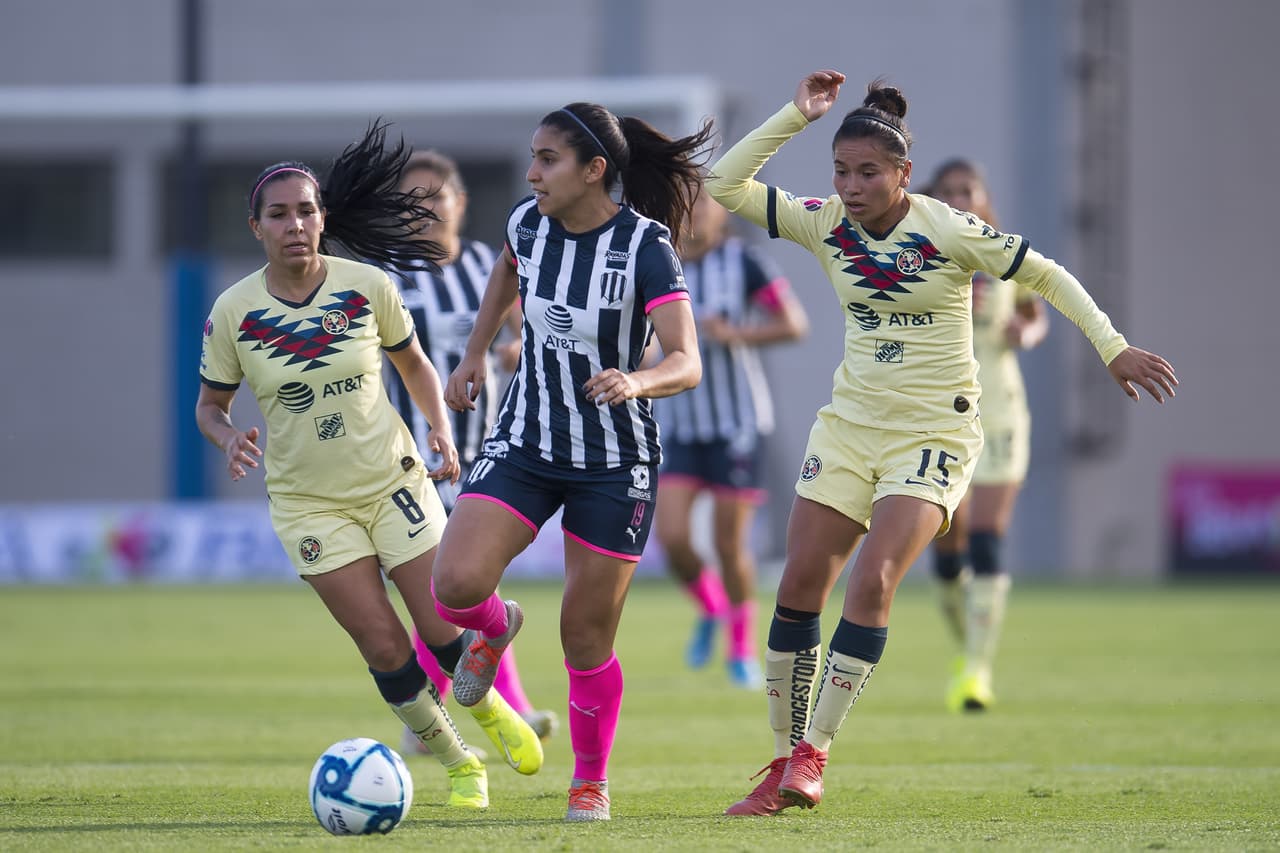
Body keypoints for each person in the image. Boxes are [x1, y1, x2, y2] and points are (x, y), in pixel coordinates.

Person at [706, 70, 1177, 816]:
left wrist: (1112, 346)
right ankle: (777, 759)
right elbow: (724, 184)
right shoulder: (826, 222)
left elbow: (1048, 275)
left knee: (874, 581)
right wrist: (797, 113)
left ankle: (813, 754)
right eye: (841, 171)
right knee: (799, 586)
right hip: (850, 427)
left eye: (868, 173)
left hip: (934, 432)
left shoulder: (948, 228)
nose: (852, 187)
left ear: (903, 175)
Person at [195, 123, 543, 811]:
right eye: (279, 213)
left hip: (393, 482)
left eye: (306, 210)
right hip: (309, 506)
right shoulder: (233, 312)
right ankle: (457, 762)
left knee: (444, 627)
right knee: (384, 644)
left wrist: (440, 429)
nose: (295, 223)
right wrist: (226, 436)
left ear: (323, 218)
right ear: (256, 226)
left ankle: (497, 712)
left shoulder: (366, 286)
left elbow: (413, 364)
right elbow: (209, 405)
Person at [428, 102, 714, 821]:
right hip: (525, 439)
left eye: (547, 159)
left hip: (615, 462)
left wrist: (637, 380)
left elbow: (687, 359)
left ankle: (590, 779)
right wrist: (470, 354)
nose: (532, 173)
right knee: (454, 585)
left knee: (585, 636)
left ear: (594, 170)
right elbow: (507, 272)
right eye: (532, 156)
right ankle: (494, 629)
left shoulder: (646, 245)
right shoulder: (528, 222)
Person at [385, 149, 559, 753]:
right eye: (411, 200)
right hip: (414, 460)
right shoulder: (387, 280)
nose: (425, 210)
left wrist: (512, 349)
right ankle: (482, 711)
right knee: (446, 589)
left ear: (460, 203)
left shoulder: (489, 262)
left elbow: (525, 328)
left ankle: (450, 717)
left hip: (488, 454)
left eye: (436, 196)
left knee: (467, 589)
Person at [653, 190, 809, 689]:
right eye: (686, 201)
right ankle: (712, 609)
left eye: (705, 201)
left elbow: (793, 325)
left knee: (728, 542)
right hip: (679, 422)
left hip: (736, 424)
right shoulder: (658, 263)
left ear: (722, 211)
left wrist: (736, 334)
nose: (696, 209)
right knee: (673, 538)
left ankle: (740, 650)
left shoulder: (743, 263)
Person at [925, 159, 1049, 712]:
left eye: (967, 190)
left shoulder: (1004, 254)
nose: (958, 199)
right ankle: (966, 644)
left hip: (1000, 409)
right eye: (948, 191)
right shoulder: (919, 248)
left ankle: (977, 670)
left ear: (984, 197)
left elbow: (1034, 311)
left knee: (986, 537)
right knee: (947, 549)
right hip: (941, 413)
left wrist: (1029, 330)